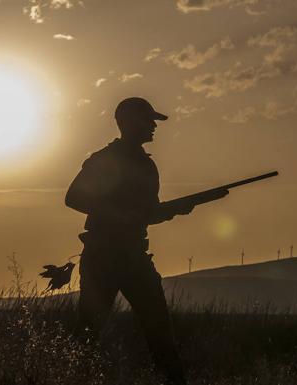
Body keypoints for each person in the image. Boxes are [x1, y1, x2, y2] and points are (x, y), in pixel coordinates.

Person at [65, 97, 226, 384]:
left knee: (160, 333)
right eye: (147, 120)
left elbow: (147, 214)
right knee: (88, 334)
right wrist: (122, 216)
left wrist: (176, 209)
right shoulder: (105, 160)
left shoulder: (146, 166)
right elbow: (74, 197)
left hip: (134, 257)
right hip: (103, 257)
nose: (153, 126)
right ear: (127, 123)